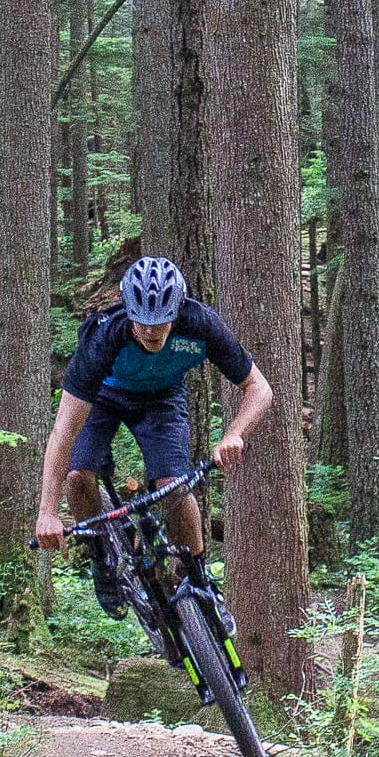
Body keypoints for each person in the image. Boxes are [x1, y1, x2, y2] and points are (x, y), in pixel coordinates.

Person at [32, 256, 276, 612]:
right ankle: (101, 555)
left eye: (160, 322)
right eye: (142, 322)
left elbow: (260, 389)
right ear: (127, 311)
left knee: (173, 486)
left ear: (176, 311)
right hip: (103, 396)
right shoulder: (103, 337)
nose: (151, 331)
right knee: (78, 476)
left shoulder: (200, 324)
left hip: (162, 399)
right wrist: (47, 511)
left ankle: (196, 575)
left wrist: (235, 433)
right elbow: (63, 431)